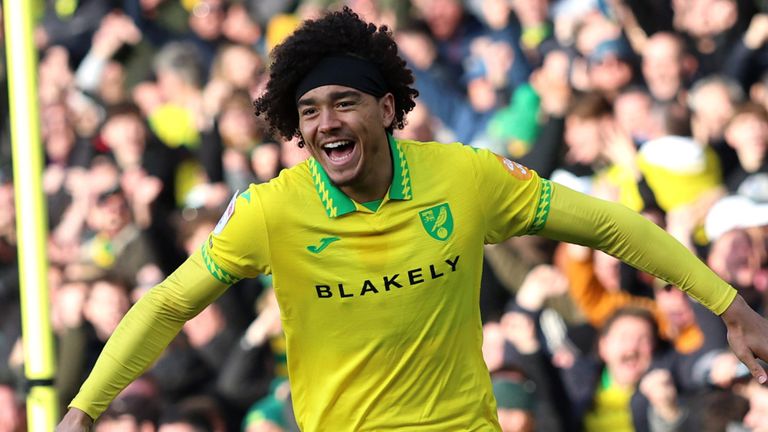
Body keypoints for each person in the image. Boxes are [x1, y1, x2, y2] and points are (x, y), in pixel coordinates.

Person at [57, 7, 768, 431]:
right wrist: (84, 410)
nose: (325, 122)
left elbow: (612, 225)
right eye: (308, 111)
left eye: (344, 102)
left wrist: (729, 306)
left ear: (389, 108)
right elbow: (169, 302)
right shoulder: (271, 211)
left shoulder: (463, 176)